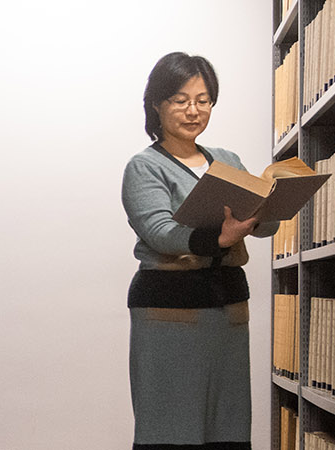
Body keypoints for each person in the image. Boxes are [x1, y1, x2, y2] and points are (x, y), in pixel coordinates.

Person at [121, 52, 279, 450]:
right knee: (169, 426)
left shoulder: (226, 161)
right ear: (156, 104)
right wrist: (219, 239)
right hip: (168, 312)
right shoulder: (144, 167)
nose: (194, 110)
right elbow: (160, 232)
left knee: (227, 426)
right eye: (180, 100)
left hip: (227, 308)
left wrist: (269, 208)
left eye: (203, 100)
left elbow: (261, 226)